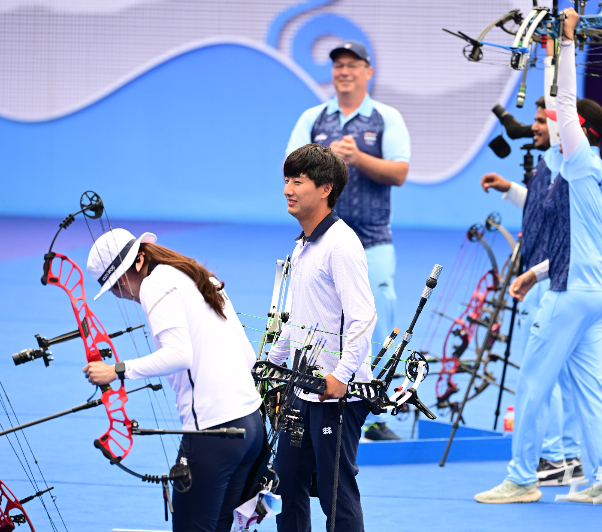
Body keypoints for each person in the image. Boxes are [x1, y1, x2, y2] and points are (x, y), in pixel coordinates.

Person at [475, 7, 602, 505]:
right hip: (596, 294)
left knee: (533, 387)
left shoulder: (579, 158)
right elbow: (572, 249)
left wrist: (563, 45)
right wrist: (547, 52)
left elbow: (563, 104)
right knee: (588, 388)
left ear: (582, 134)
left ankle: (521, 480)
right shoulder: (581, 173)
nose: (554, 128)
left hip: (570, 297)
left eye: (566, 127)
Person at [82, 229, 263, 531]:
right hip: (250, 428)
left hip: (213, 433)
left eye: (117, 285)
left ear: (139, 260)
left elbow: (179, 355)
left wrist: (116, 370)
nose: (121, 294)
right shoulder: (193, 274)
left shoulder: (156, 285)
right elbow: (247, 355)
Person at [286, 41, 410, 442]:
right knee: (315, 320)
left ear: (367, 72)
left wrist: (358, 159)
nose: (344, 71)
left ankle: (374, 411)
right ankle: (316, 393)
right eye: (338, 65)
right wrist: (327, 157)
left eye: (352, 65)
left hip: (373, 239)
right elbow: (291, 166)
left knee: (377, 320)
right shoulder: (313, 117)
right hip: (322, 242)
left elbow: (399, 171)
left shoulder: (386, 117)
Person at [479, 40, 584, 487]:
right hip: (546, 276)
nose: (533, 126)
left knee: (544, 372)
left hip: (549, 278)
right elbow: (541, 212)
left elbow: (564, 96)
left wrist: (562, 44)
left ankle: (556, 455)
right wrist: (509, 188)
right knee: (556, 373)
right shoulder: (548, 162)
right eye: (537, 118)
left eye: (542, 120)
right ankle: (567, 455)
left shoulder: (565, 162)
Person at [270, 144, 376, 531]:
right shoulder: (302, 245)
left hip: (337, 394)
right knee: (286, 481)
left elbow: (364, 317)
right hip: (302, 387)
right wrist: (269, 365)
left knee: (335, 492)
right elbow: (297, 319)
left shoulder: (342, 244)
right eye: (286, 180)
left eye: (298, 181)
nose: (288, 189)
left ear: (325, 188)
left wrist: (343, 376)